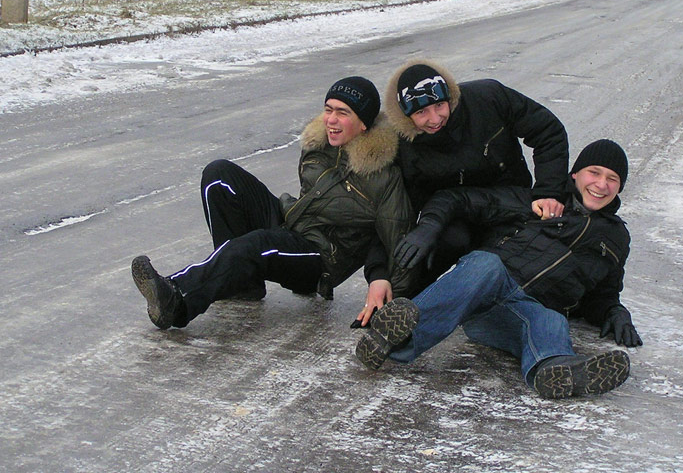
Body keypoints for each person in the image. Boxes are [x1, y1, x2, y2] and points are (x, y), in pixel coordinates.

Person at [354, 139, 642, 399]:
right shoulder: (538, 200)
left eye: (612, 178)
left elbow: (603, 292)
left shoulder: (616, 238)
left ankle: (557, 369)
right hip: (484, 292)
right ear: (575, 174)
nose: (601, 184)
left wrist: (614, 311)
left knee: (551, 319)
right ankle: (396, 339)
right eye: (594, 172)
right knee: (486, 263)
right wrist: (429, 226)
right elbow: (460, 199)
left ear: (620, 187)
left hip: (521, 311)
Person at [131, 76, 416, 330]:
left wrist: (388, 290)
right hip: (290, 222)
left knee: (256, 245)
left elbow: (395, 238)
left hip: (319, 258)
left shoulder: (383, 176)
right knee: (219, 175)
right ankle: (241, 284)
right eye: (328, 109)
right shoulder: (319, 147)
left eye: (342, 113)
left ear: (364, 123)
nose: (331, 119)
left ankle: (177, 301)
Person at [380, 59, 569, 292]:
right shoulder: (403, 145)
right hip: (453, 215)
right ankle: (409, 301)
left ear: (449, 97)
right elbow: (395, 214)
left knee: (515, 270)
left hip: (507, 204)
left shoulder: (488, 98)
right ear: (407, 116)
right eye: (421, 112)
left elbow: (548, 131)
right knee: (437, 245)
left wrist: (549, 192)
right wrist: (382, 278)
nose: (435, 118)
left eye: (439, 105)